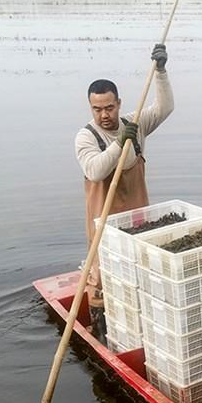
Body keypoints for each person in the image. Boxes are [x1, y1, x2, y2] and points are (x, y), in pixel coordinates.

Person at [75, 43, 174, 340]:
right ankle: (103, 336)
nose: (104, 114)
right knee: (102, 281)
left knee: (138, 278)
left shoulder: (135, 123)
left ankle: (137, 334)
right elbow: (95, 170)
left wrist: (161, 72)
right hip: (104, 227)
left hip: (138, 222)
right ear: (90, 107)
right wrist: (120, 143)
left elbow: (165, 107)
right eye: (97, 109)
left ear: (119, 103)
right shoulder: (86, 137)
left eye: (109, 107)